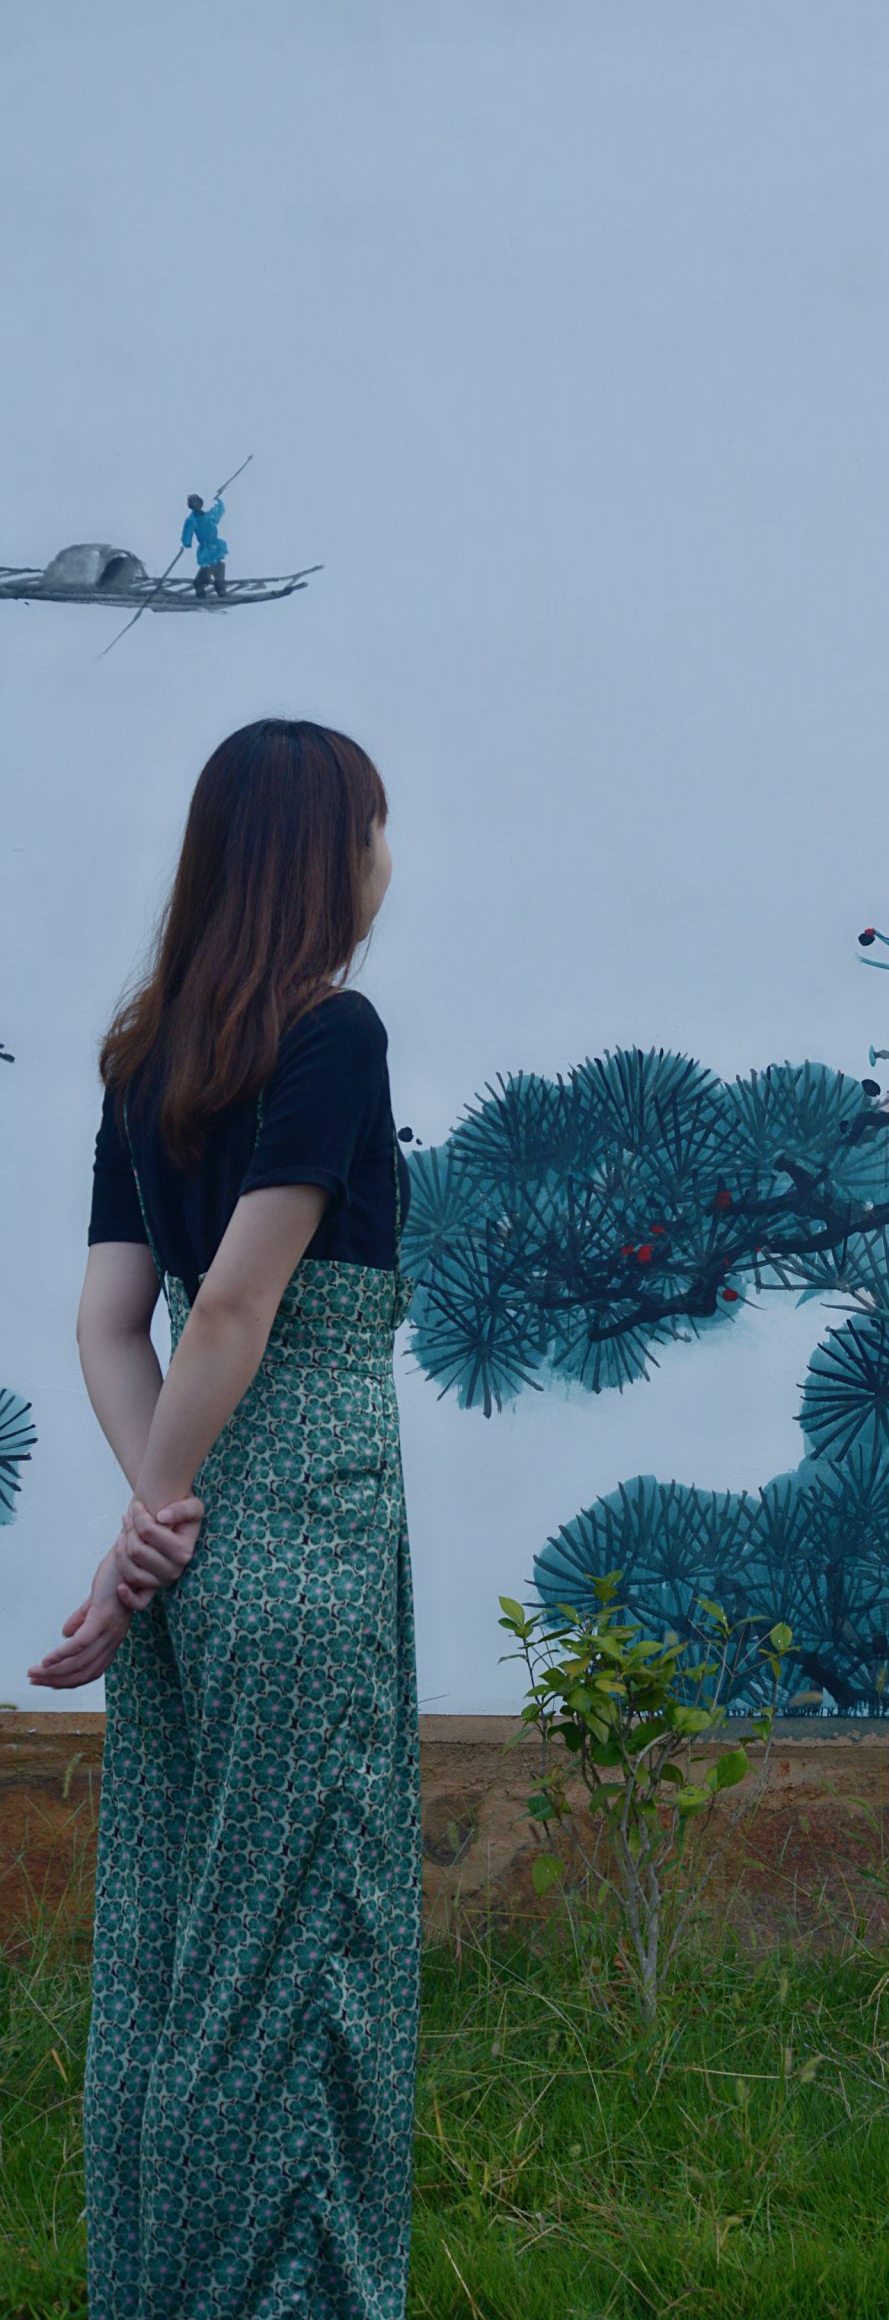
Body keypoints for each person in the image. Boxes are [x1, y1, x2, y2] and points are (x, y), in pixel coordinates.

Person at [29, 719, 419, 2320]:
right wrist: (155, 1523)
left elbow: (109, 1323)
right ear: (323, 857)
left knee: (174, 1965)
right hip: (304, 1531)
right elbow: (241, 1309)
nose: (387, 860)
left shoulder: (144, 1058)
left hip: (192, 1556)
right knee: (296, 1973)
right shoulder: (334, 1034)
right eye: (374, 830)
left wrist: (151, 1524)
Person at [182, 491, 228, 599]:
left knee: (218, 566)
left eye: (198, 502)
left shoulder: (208, 516)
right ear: (191, 505)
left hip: (215, 545)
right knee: (207, 569)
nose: (197, 505)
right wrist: (186, 542)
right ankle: (201, 589)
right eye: (193, 503)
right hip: (206, 548)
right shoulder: (192, 519)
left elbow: (218, 512)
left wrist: (218, 501)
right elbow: (187, 532)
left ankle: (220, 589)